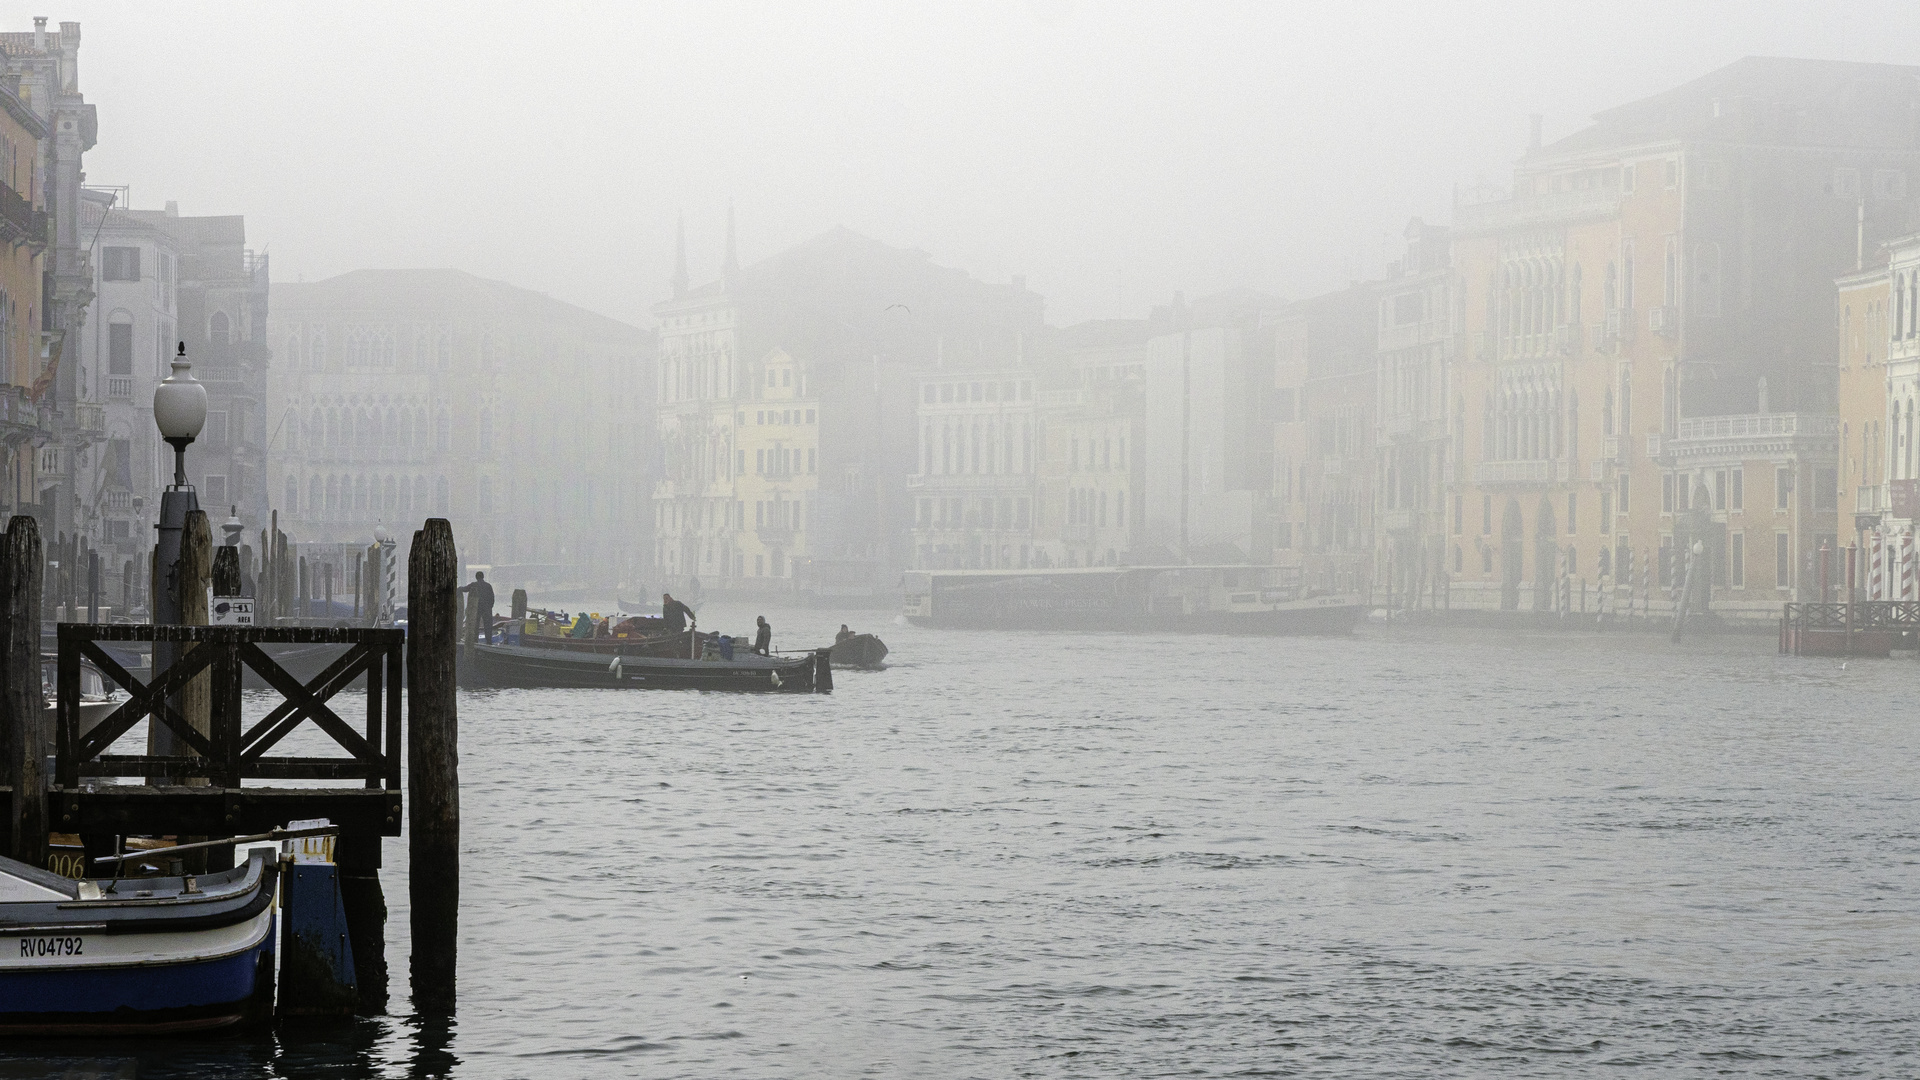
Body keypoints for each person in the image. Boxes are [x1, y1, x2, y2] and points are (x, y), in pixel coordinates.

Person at [458, 571, 496, 643]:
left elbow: (465, 589)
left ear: (476, 577)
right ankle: (489, 641)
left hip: (477, 608)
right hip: (487, 608)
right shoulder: (488, 586)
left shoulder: (474, 585)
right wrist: (490, 606)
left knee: (475, 625)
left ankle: (475, 640)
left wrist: (459, 588)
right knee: (488, 625)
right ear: (483, 577)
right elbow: (492, 597)